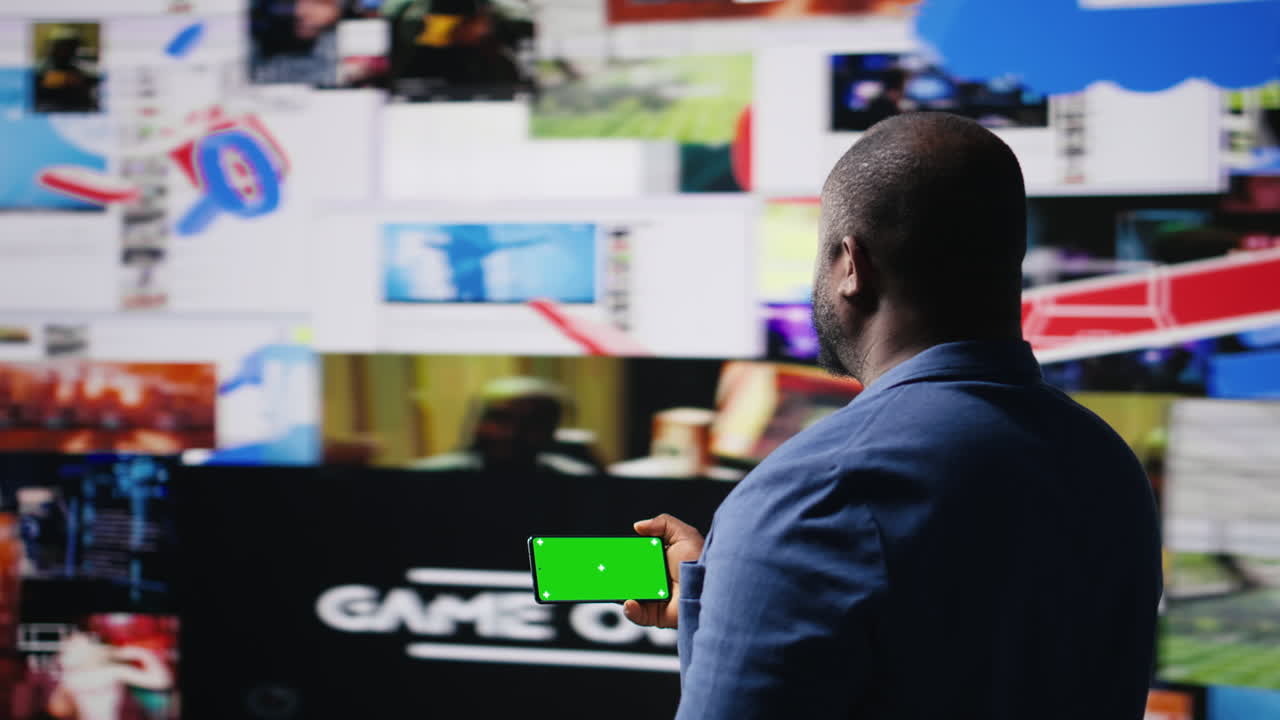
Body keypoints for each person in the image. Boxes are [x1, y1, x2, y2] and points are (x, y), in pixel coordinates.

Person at [623, 112, 1162, 719]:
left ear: (852, 264)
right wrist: (719, 589)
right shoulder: (1107, 465)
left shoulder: (813, 493)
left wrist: (748, 563)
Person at [411, 376, 597, 476]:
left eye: (530, 423)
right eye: (499, 418)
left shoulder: (575, 479)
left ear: (552, 429)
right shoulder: (425, 478)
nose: (510, 433)